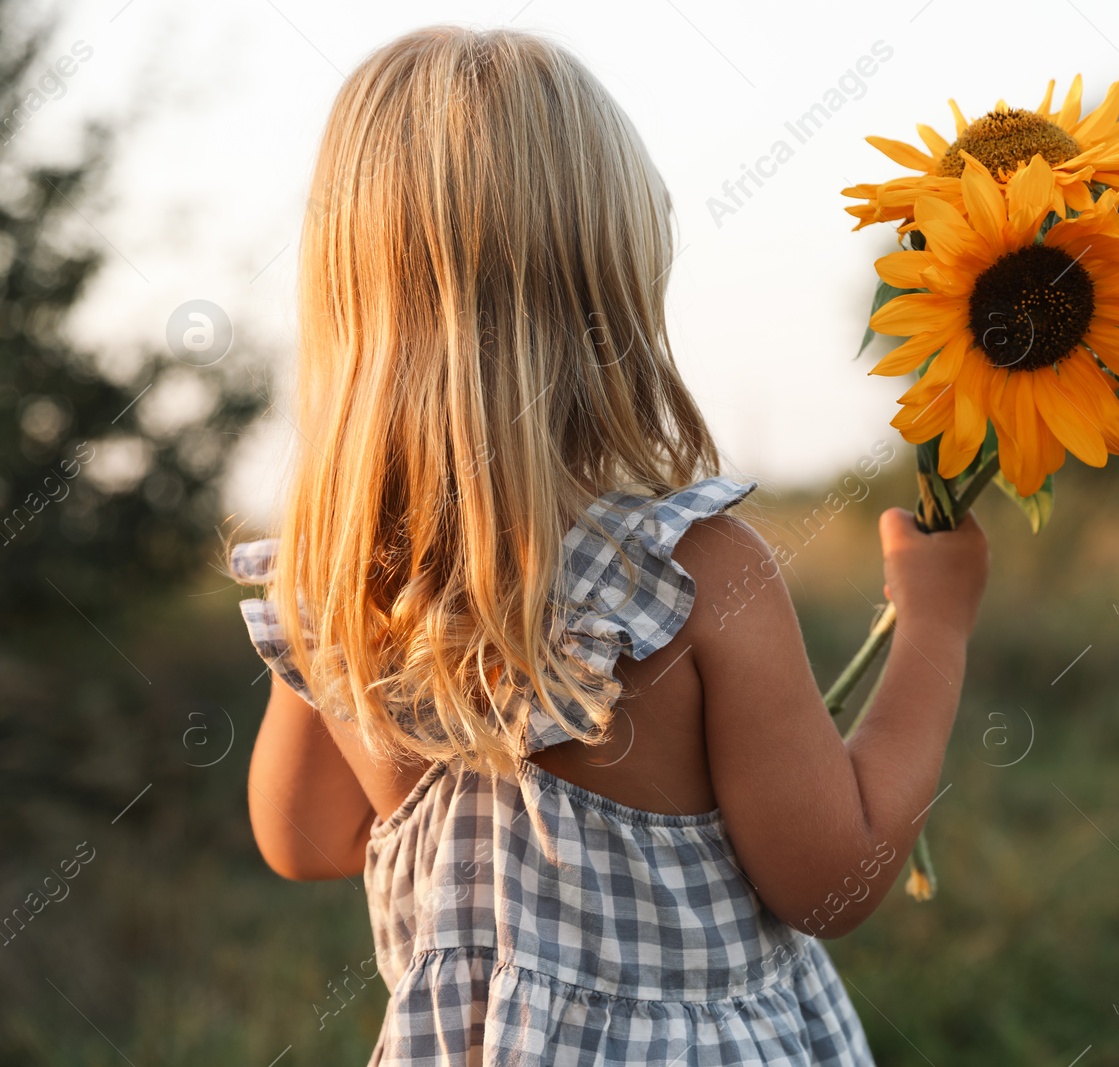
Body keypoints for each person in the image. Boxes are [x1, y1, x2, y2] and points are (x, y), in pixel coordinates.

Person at [232, 25, 987, 1066]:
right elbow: (835, 879)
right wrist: (934, 628)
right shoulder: (690, 572)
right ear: (610, 288)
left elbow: (304, 838)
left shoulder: (333, 580)